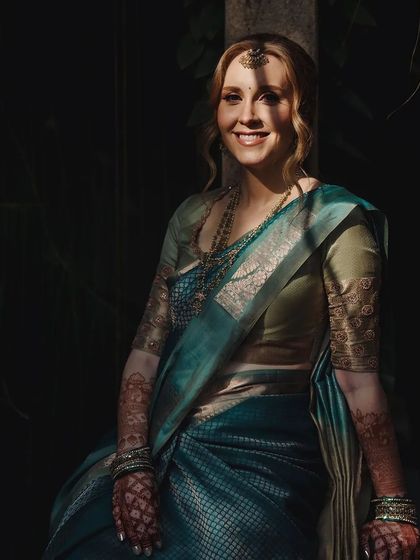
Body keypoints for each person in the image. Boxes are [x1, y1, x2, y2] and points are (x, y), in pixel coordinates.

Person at [43, 32, 420, 559]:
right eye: (232, 97)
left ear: (301, 110)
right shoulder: (191, 218)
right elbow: (146, 354)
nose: (248, 116)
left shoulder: (335, 223)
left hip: (262, 464)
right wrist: (132, 466)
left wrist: (393, 504)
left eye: (270, 96)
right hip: (162, 445)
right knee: (85, 538)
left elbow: (357, 380)